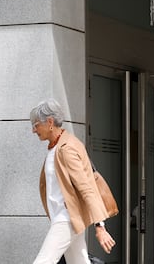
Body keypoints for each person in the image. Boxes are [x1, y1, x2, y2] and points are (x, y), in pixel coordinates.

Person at [30, 99, 116, 264]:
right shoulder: (56, 147)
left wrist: (100, 226)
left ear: (49, 122)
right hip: (66, 218)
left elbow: (86, 187)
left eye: (35, 125)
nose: (33, 130)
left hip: (67, 218)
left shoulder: (67, 148)